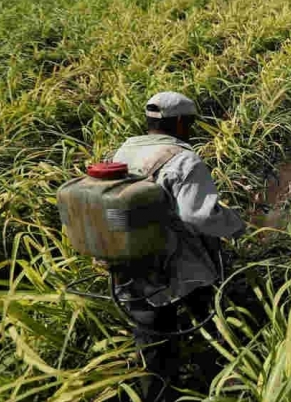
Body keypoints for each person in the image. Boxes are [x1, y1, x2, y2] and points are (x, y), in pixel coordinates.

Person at [109, 91, 246, 402]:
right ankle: (218, 377)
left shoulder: (124, 151)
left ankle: (157, 391)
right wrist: (235, 225)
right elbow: (198, 215)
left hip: (129, 263)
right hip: (176, 265)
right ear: (181, 122)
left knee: (151, 341)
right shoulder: (183, 159)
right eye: (191, 123)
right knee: (207, 317)